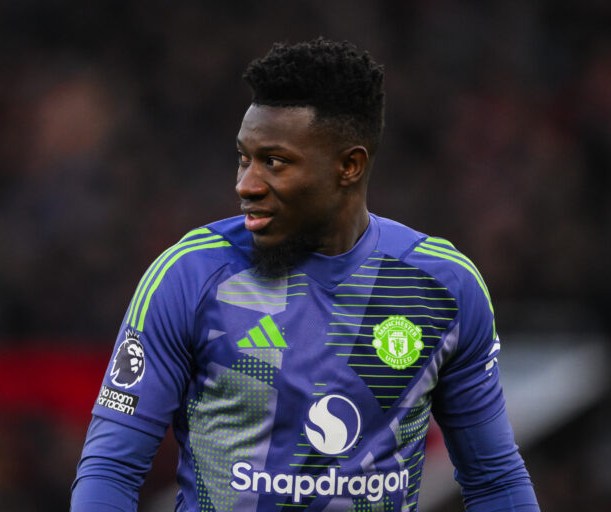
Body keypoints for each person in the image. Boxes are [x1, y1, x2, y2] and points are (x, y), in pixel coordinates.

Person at [71, 38, 539, 511]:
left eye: (274, 162)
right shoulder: (190, 276)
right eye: (243, 157)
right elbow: (110, 470)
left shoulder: (441, 286)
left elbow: (495, 480)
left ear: (349, 166)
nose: (246, 185)